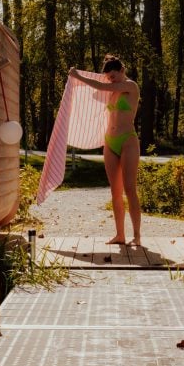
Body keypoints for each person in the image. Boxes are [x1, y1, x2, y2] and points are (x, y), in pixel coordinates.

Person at [68, 55, 142, 246]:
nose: (111, 80)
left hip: (128, 141)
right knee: (115, 192)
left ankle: (137, 236)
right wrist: (76, 83)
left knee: (130, 189)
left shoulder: (131, 86)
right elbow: (94, 94)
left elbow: (100, 87)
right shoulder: (112, 90)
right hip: (110, 142)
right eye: (109, 78)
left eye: (113, 76)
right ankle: (120, 235)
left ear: (122, 70)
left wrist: (78, 76)